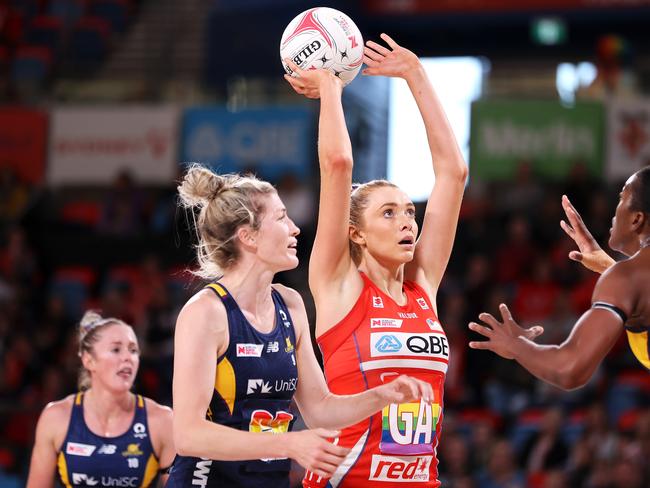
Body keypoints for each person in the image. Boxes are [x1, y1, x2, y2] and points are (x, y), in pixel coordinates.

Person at [166, 165, 432, 487]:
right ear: (248, 236)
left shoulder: (290, 304)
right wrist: (288, 444)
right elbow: (188, 435)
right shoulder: (207, 312)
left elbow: (319, 408)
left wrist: (381, 396)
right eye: (280, 218)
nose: (294, 228)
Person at [285, 34, 471, 487]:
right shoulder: (337, 284)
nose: (408, 221)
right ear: (357, 234)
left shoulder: (422, 285)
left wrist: (415, 74)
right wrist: (331, 87)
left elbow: (454, 173)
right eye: (389, 213)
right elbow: (337, 164)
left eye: (410, 211)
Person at [469, 166, 650, 388]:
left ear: (637, 219)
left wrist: (515, 345)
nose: (616, 207)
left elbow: (569, 369)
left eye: (622, 197)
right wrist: (609, 268)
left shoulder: (626, 277)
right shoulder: (632, 278)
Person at [26, 311, 175, 488]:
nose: (128, 357)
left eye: (133, 350)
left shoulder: (162, 420)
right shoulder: (57, 418)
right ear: (89, 360)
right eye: (116, 349)